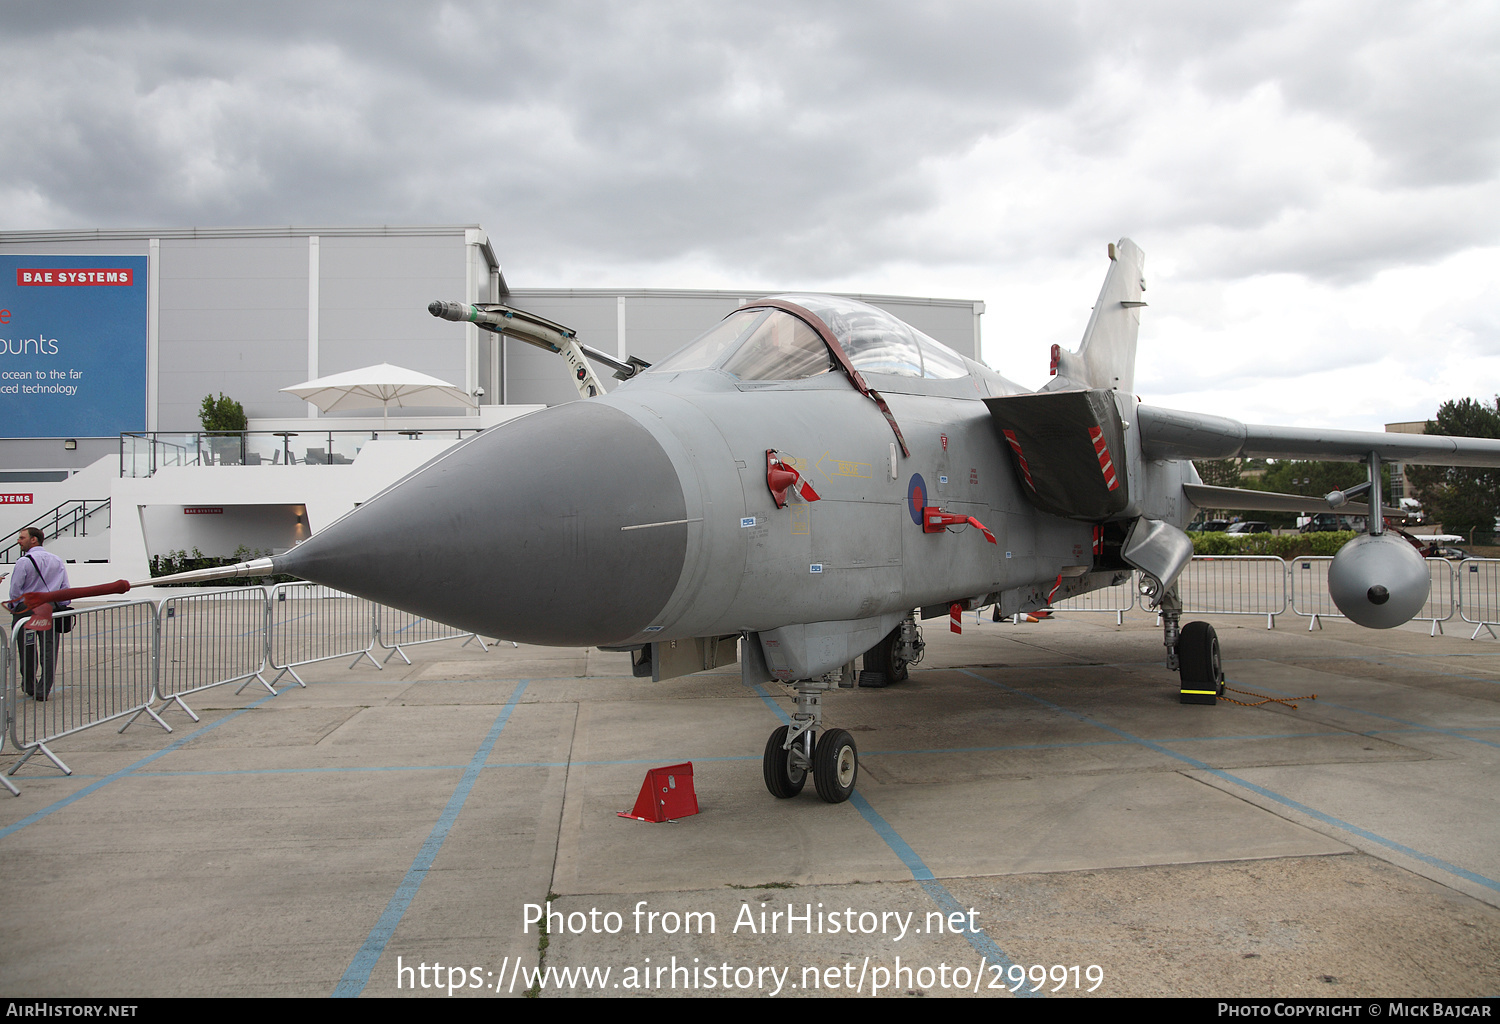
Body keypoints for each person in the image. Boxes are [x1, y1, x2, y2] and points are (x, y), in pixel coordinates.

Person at [6, 527, 71, 700]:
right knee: (49, 648)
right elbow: (65, 588)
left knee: (27, 646)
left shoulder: (24, 562)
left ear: (34, 539)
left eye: (22, 537)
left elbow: (15, 590)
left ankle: (29, 685)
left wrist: (15, 607)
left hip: (27, 608)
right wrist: (63, 606)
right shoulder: (56, 560)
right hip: (50, 608)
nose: (19, 541)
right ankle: (44, 689)